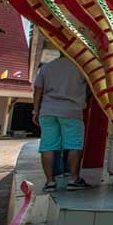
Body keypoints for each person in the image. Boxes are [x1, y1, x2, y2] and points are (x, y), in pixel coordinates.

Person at [33, 55, 90, 191]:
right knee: (74, 145)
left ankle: (50, 182)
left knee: (47, 146)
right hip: (71, 111)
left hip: (47, 111)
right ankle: (74, 179)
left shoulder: (47, 67)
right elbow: (90, 88)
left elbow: (38, 90)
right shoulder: (81, 68)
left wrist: (35, 111)